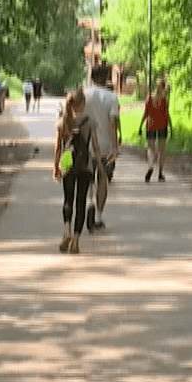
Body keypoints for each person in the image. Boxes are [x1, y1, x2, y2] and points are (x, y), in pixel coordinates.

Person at [53, 90, 97, 253]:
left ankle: (66, 233)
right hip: (85, 165)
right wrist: (98, 162)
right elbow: (95, 146)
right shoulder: (89, 121)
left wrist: (56, 166)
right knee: (81, 202)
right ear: (83, 104)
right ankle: (76, 241)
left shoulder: (63, 121)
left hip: (68, 165)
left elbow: (58, 147)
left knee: (68, 200)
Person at [83, 64, 122, 230]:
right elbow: (113, 123)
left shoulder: (84, 94)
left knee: (88, 177)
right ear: (105, 78)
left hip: (86, 142)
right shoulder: (111, 97)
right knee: (103, 178)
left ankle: (89, 203)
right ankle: (98, 216)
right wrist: (115, 147)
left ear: (91, 77)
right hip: (105, 144)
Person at [141, 76, 171, 183]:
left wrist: (140, 126)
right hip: (162, 124)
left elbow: (146, 113)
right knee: (161, 150)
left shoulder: (149, 97)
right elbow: (166, 114)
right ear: (163, 88)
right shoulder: (164, 99)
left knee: (150, 148)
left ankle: (150, 166)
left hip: (150, 125)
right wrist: (170, 126)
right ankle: (160, 173)